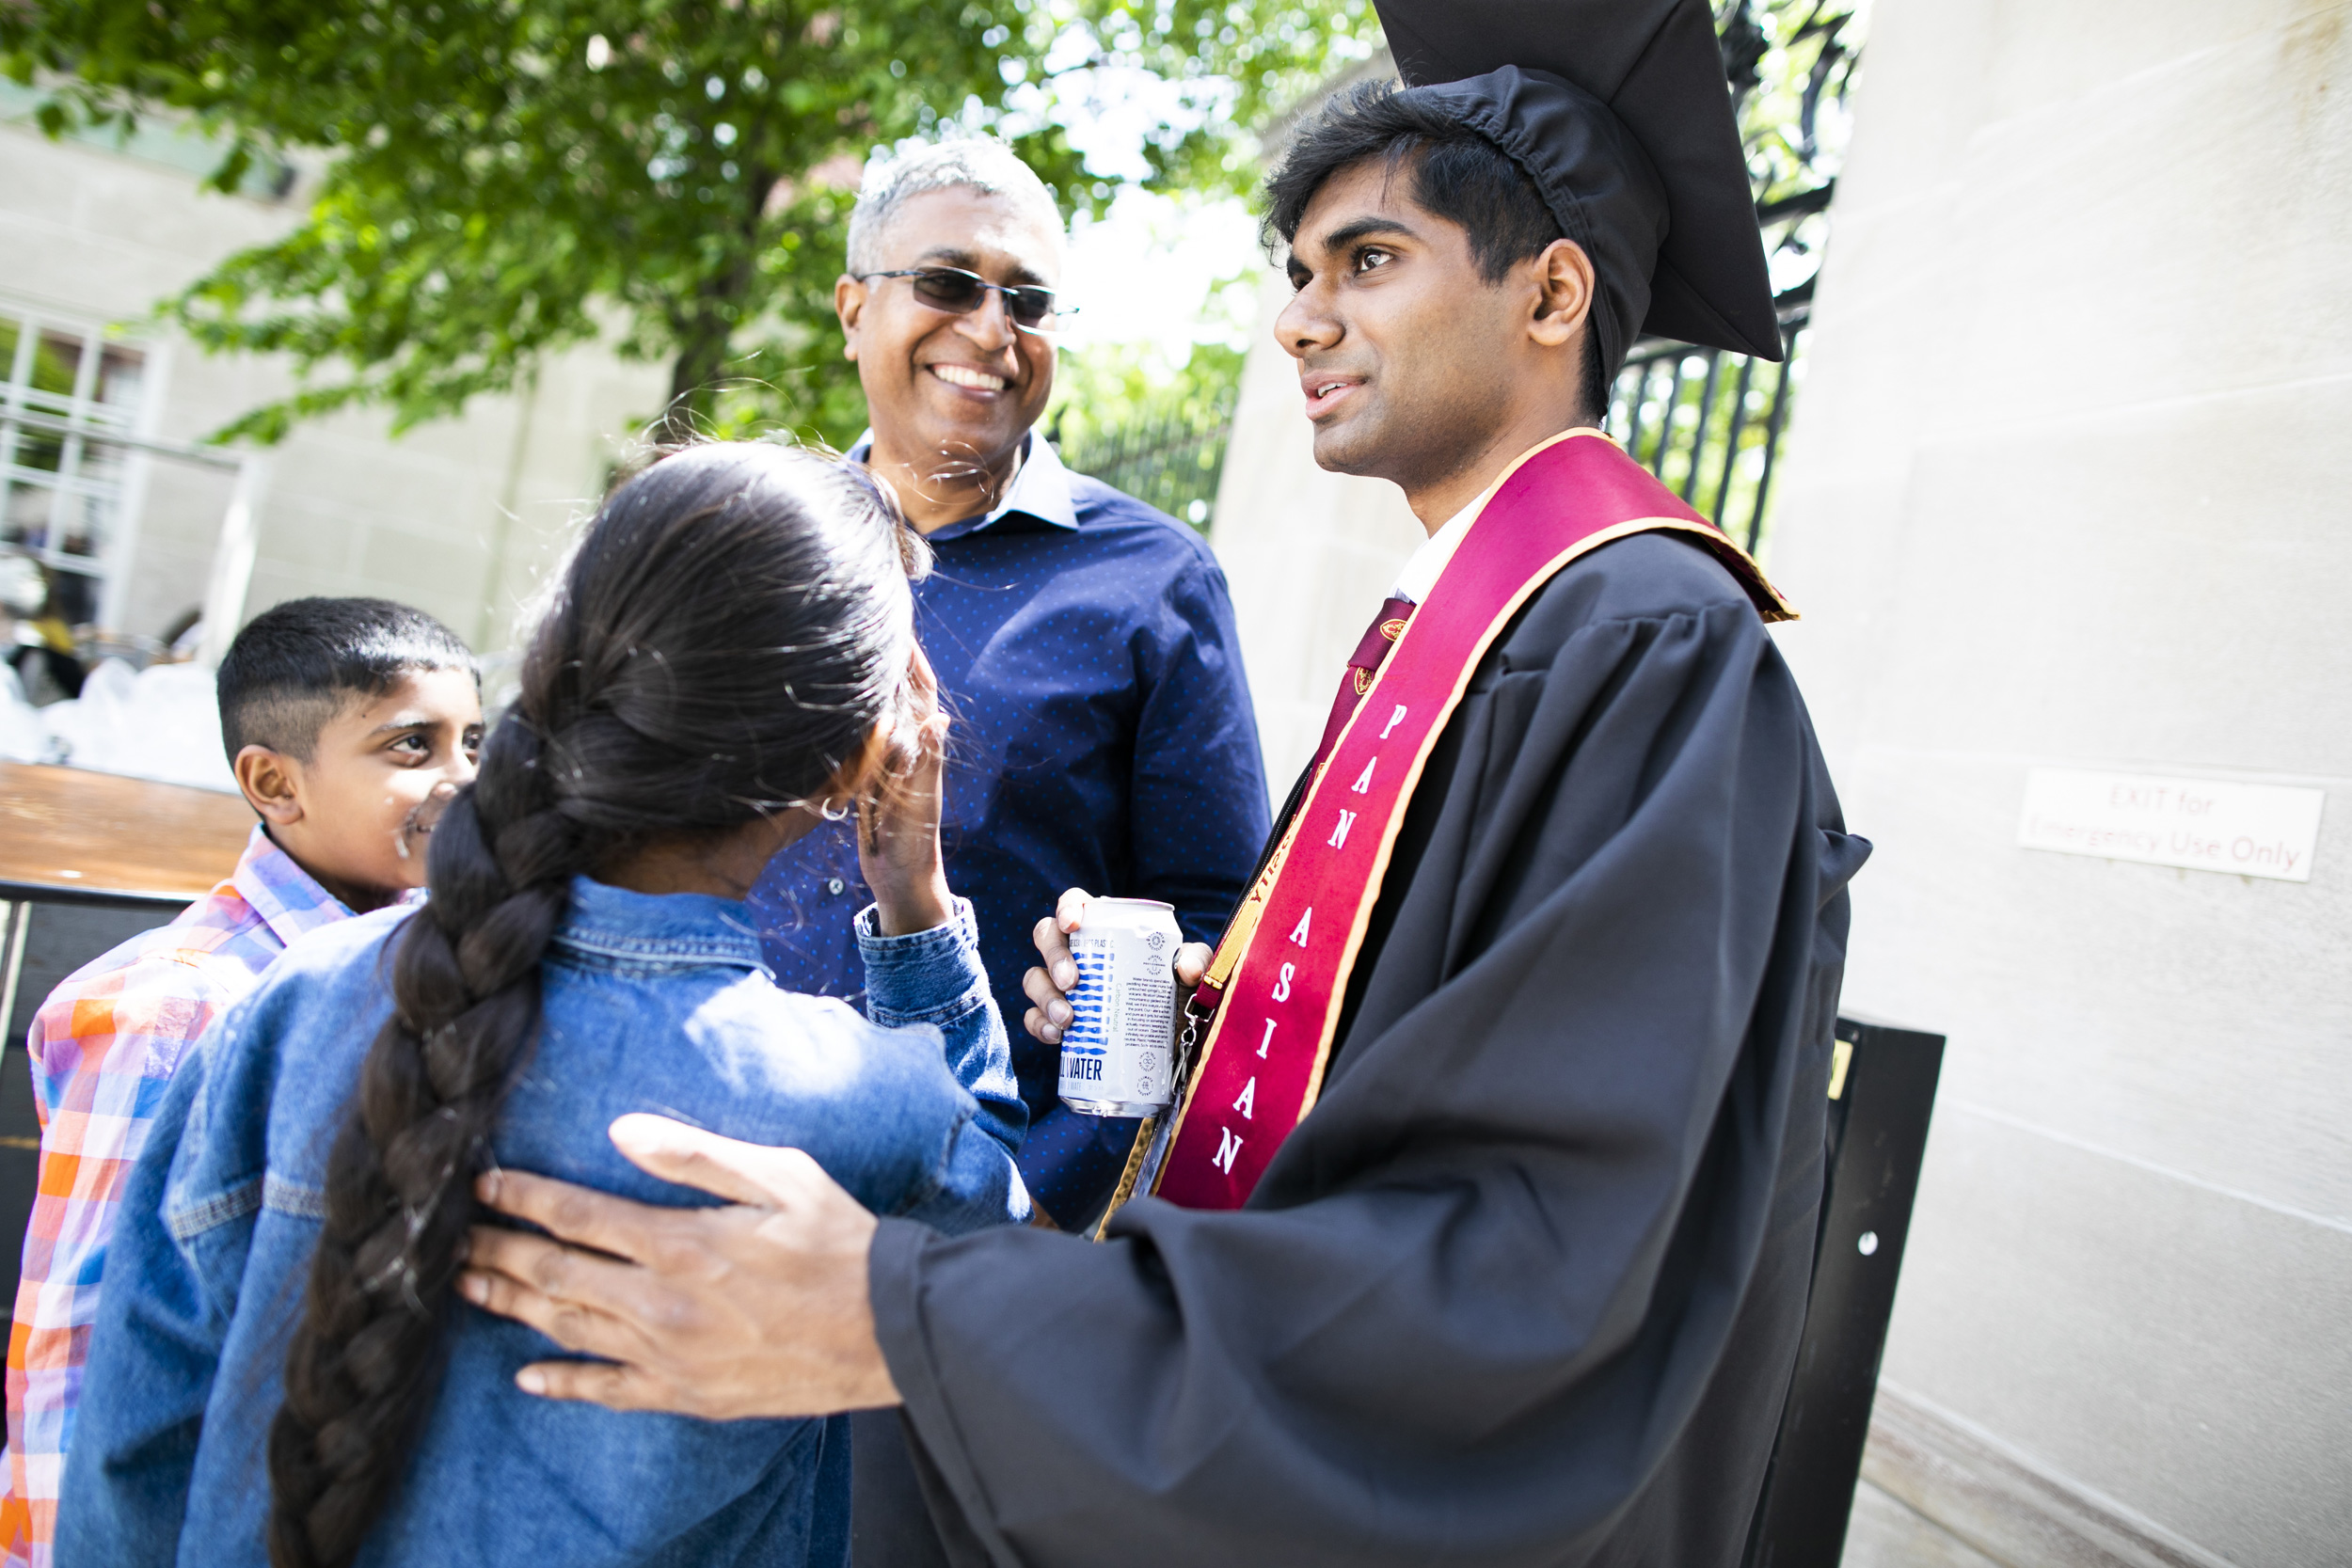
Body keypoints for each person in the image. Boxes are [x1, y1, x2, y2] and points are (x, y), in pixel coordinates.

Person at [456, 3, 1872, 1563]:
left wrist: (913, 1307)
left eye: (1370, 260)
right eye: (1300, 274)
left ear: (1550, 291)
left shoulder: (1647, 647)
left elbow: (1535, 1244)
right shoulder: (1475, 630)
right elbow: (1433, 1062)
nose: (1299, 321)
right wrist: (1215, 1007)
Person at [56, 444, 1030, 1568]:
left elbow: (131, 1459)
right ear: (865, 750)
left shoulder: (292, 1002)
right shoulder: (865, 1099)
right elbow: (992, 1269)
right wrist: (916, 902)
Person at [751, 139, 1270, 1230]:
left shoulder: (1157, 580)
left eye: (1028, 301)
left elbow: (1212, 928)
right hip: (696, 1157)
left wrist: (1041, 1202)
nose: (991, 328)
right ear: (853, 309)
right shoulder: (751, 540)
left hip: (959, 1223)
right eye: (946, 283)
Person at [0, 597, 482, 1568]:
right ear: (274, 782)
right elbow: (79, 1349)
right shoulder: (175, 1012)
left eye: (474, 741)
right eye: (409, 746)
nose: (461, 779)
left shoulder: (418, 971)